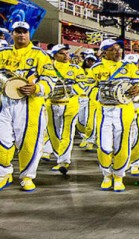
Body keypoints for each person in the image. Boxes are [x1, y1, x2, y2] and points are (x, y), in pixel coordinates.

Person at [0, 21, 54, 192]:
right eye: (18, 32)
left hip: (30, 104)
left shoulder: (40, 55)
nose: (21, 35)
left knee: (29, 142)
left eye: (24, 32)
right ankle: (4, 173)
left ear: (29, 34)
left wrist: (37, 88)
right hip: (4, 102)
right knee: (2, 141)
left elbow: (51, 78)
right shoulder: (3, 53)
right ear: (12, 33)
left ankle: (27, 176)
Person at [88, 39, 139, 192]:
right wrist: (101, 94)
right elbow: (86, 87)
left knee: (122, 144)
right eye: (113, 49)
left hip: (124, 110)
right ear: (103, 52)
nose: (118, 51)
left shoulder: (129, 67)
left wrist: (138, 89)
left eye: (119, 48)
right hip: (104, 110)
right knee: (104, 145)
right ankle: (106, 175)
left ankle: (119, 176)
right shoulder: (95, 68)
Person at [42, 44, 87, 175]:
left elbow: (83, 85)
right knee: (53, 132)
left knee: (68, 132)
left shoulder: (76, 68)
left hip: (70, 104)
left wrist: (69, 90)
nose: (66, 56)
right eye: (62, 53)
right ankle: (59, 155)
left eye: (67, 53)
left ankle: (63, 161)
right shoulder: (47, 68)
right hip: (51, 103)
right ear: (54, 55)